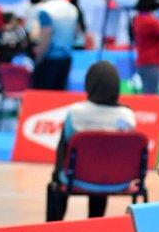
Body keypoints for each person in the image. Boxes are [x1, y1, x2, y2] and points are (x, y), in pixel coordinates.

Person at [46, 61, 137, 222]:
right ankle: (94, 224)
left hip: (78, 179)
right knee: (103, 168)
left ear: (89, 84)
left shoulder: (75, 113)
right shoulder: (127, 116)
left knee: (58, 184)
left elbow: (63, 149)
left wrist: (56, 177)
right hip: (116, 181)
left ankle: (53, 229)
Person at [32, 0, 78, 91]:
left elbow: (46, 34)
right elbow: (75, 33)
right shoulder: (72, 8)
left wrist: (39, 58)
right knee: (59, 96)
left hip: (50, 60)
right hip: (66, 58)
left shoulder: (45, 10)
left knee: (44, 96)